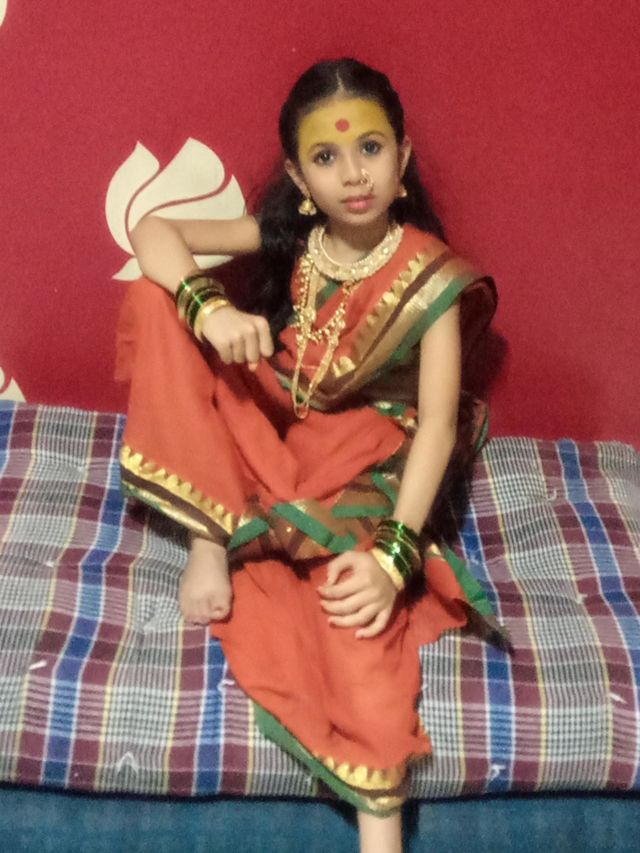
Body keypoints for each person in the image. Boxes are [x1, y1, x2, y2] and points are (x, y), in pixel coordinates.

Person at [116, 58, 512, 853]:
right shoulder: (296, 236)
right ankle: (208, 535)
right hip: (274, 423)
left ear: (402, 158)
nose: (353, 174)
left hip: (358, 458)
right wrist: (208, 306)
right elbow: (151, 229)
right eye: (327, 157)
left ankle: (380, 834)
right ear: (300, 179)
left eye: (370, 148)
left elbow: (437, 427)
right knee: (153, 297)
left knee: (354, 611)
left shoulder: (429, 277)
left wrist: (396, 557)